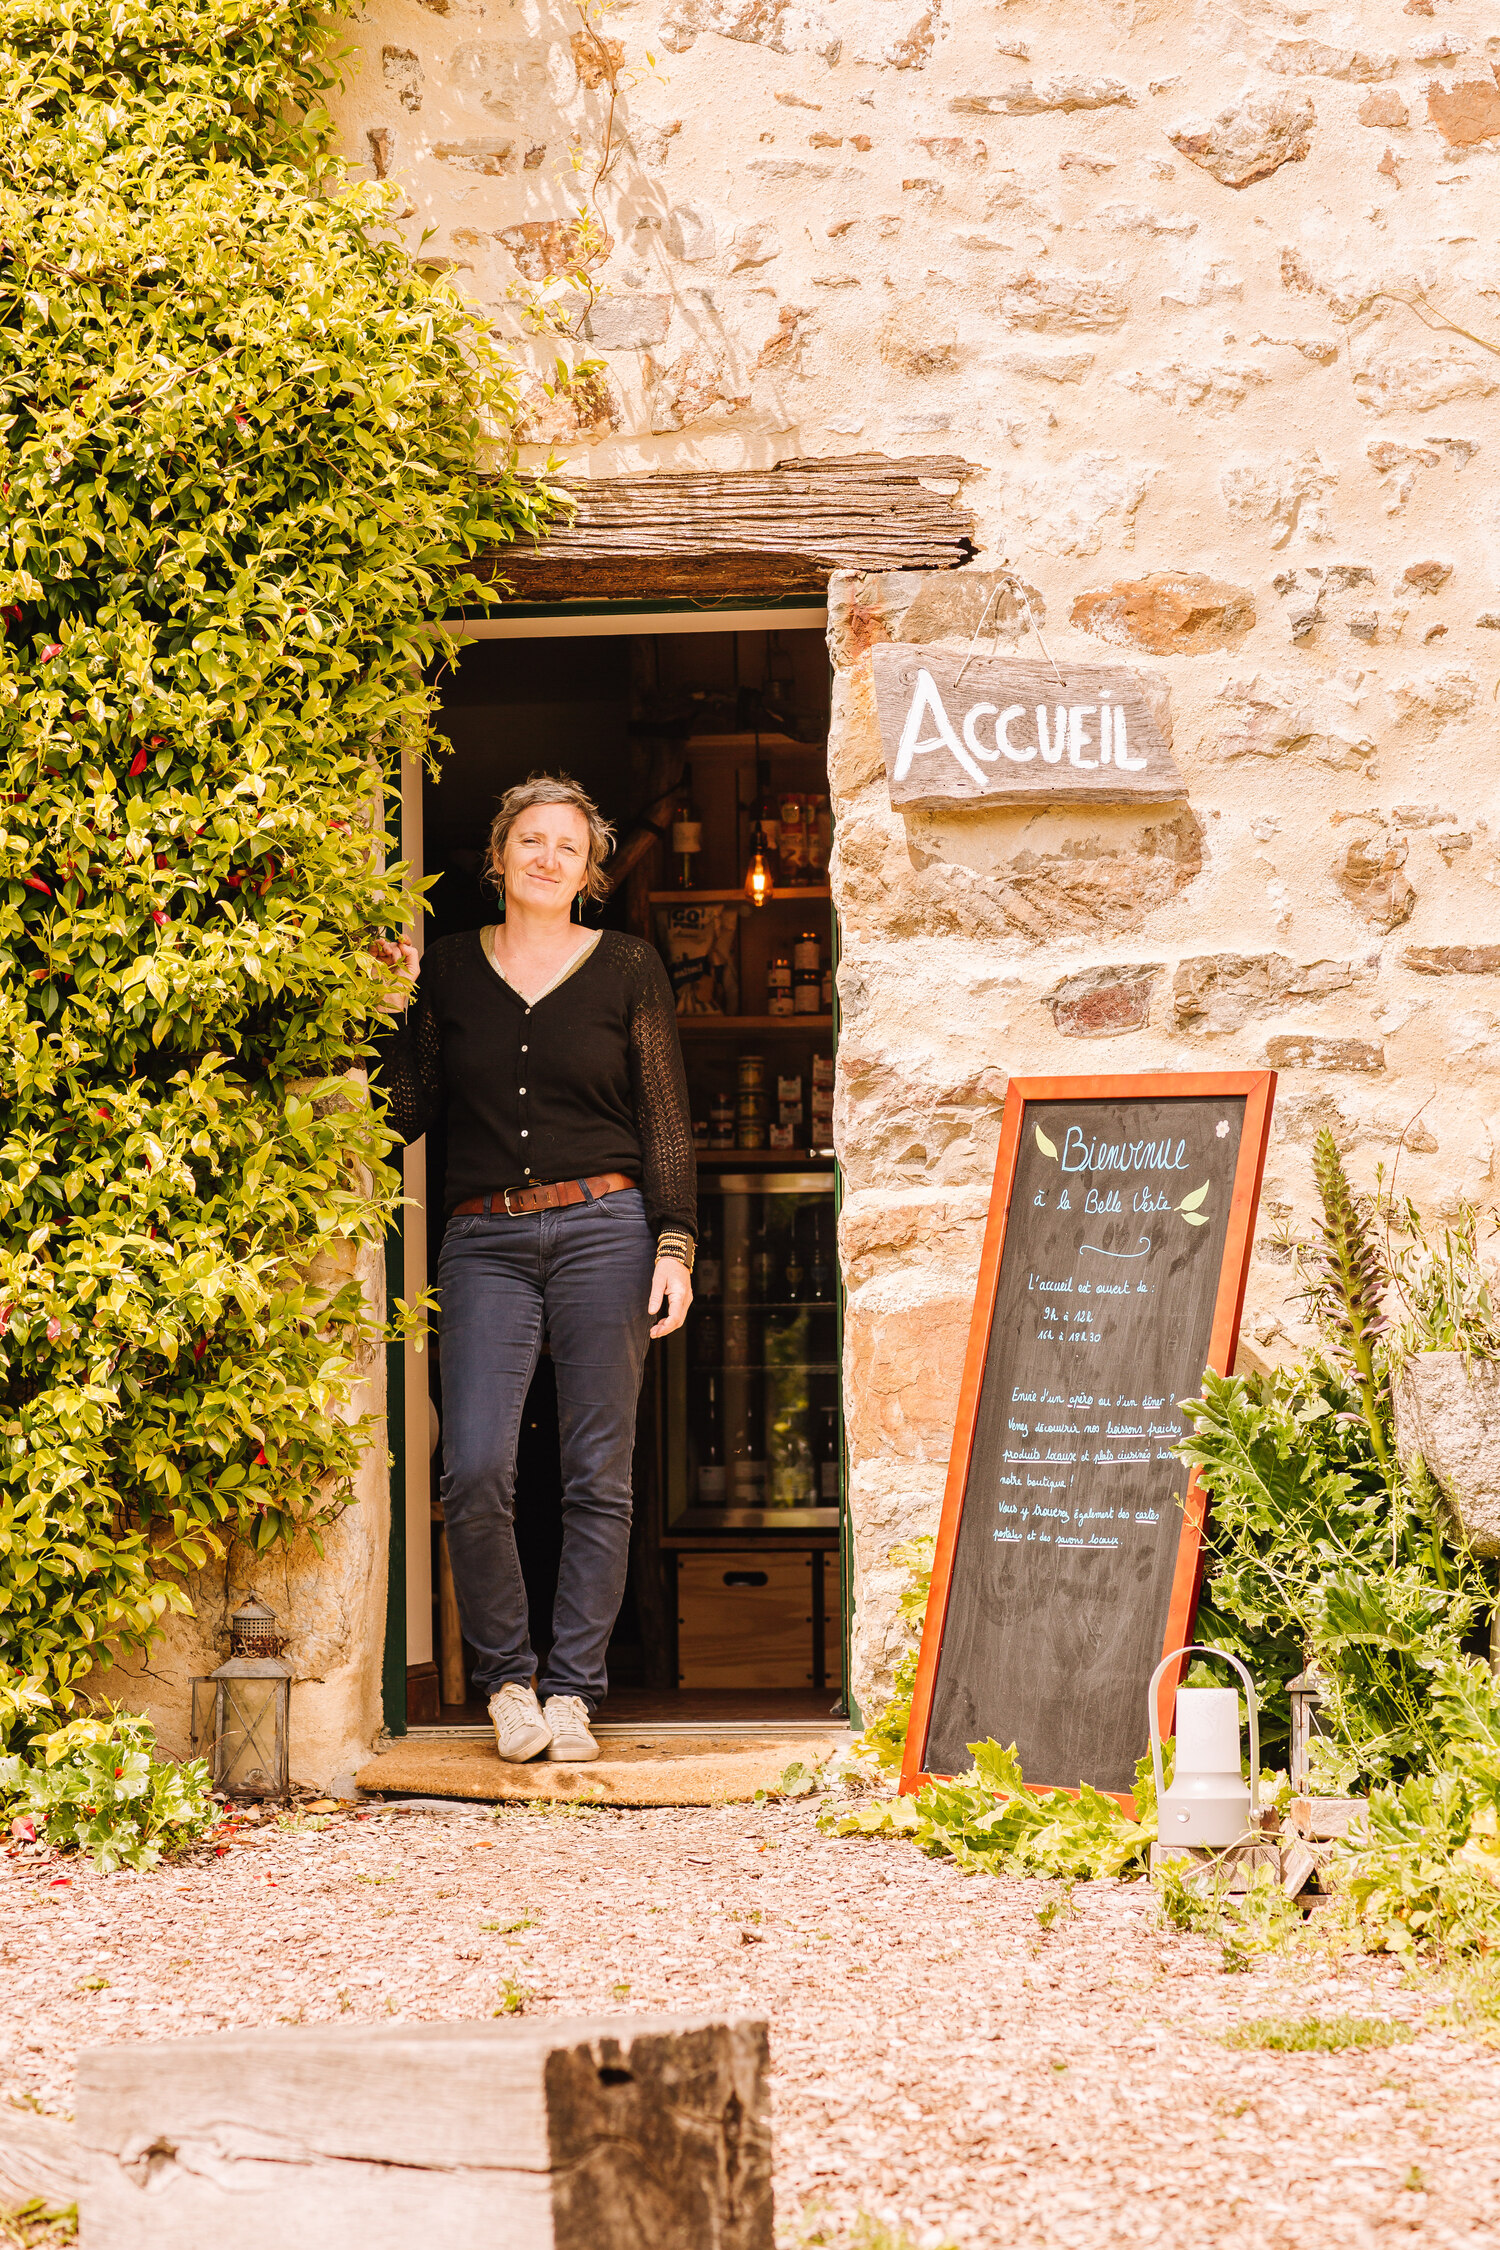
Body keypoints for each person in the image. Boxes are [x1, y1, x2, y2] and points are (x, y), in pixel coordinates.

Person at [375, 774, 695, 1765]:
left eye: (568, 845)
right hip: (485, 1242)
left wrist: (675, 1246)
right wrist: (388, 1009)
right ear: (500, 858)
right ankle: (508, 1681)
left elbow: (665, 1120)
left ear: (589, 870)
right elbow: (403, 1115)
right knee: (473, 1467)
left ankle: (571, 1694)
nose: (548, 856)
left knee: (599, 1475)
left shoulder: (629, 967)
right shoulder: (453, 974)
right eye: (531, 840)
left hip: (607, 1227)